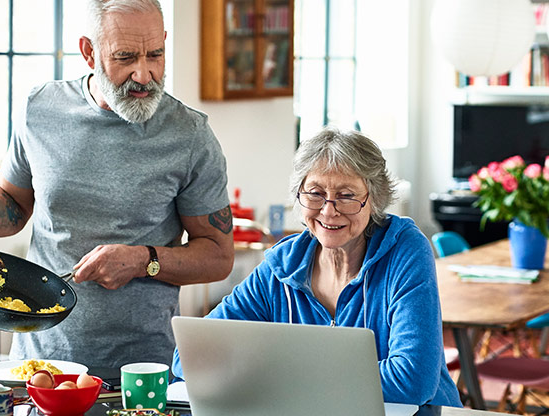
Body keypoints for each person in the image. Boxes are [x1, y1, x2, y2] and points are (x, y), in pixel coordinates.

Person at [0, 0, 234, 369]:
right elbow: (12, 214)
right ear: (88, 52)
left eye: (155, 55)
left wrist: (142, 261)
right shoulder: (40, 108)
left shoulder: (190, 135)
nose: (144, 74)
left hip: (141, 371)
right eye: (126, 57)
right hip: (40, 365)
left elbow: (219, 256)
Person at [171, 127, 463, 407]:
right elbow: (189, 356)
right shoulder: (281, 267)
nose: (328, 210)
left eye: (347, 195)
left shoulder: (405, 250)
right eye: (315, 193)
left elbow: (413, 380)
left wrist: (279, 376)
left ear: (374, 199)